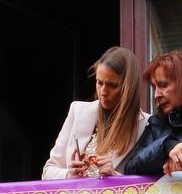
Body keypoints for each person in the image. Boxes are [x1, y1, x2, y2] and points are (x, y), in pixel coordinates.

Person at [42, 46, 149, 179]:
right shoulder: (78, 111)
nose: (103, 91)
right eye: (99, 82)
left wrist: (115, 177)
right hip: (75, 192)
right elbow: (47, 172)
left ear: (129, 87)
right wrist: (69, 175)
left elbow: (150, 185)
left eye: (112, 85)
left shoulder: (145, 124)